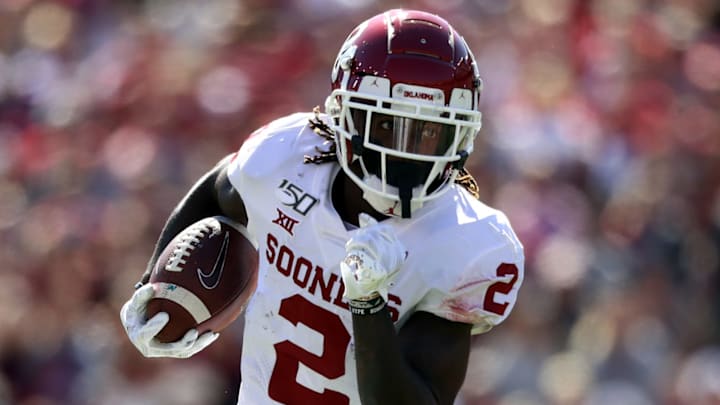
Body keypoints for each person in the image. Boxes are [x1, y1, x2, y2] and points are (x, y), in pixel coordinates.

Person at [120, 8, 524, 405]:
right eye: (386, 125)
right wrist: (156, 289)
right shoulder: (287, 159)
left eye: (429, 132)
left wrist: (368, 303)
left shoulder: (467, 243)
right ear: (342, 117)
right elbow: (219, 189)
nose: (405, 153)